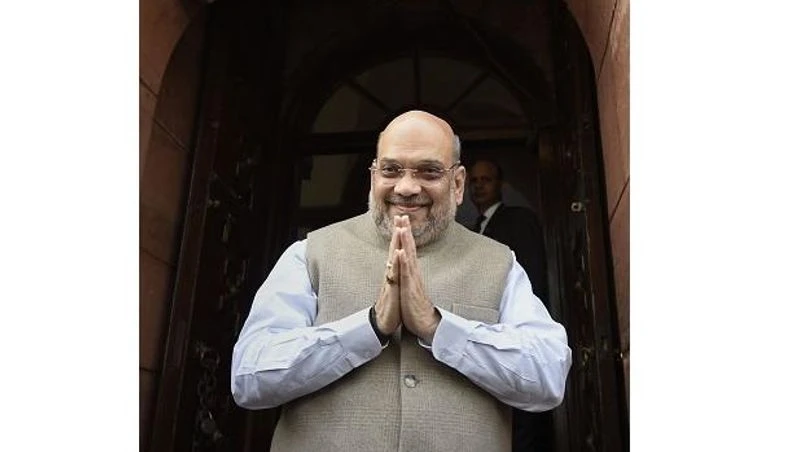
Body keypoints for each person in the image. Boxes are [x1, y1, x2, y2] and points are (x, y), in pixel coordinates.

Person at [231, 110, 571, 452]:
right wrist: (370, 327)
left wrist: (438, 328)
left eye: (429, 171)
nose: (407, 188)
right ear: (373, 176)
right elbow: (249, 377)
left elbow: (548, 377)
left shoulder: (500, 263)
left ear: (457, 183)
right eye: (391, 170)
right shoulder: (309, 254)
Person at [469, 159, 555, 452]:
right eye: (474, 180)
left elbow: (531, 277)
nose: (479, 185)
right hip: (482, 338)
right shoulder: (471, 230)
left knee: (524, 426)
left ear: (500, 185)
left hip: (517, 331)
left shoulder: (519, 219)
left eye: (486, 180)